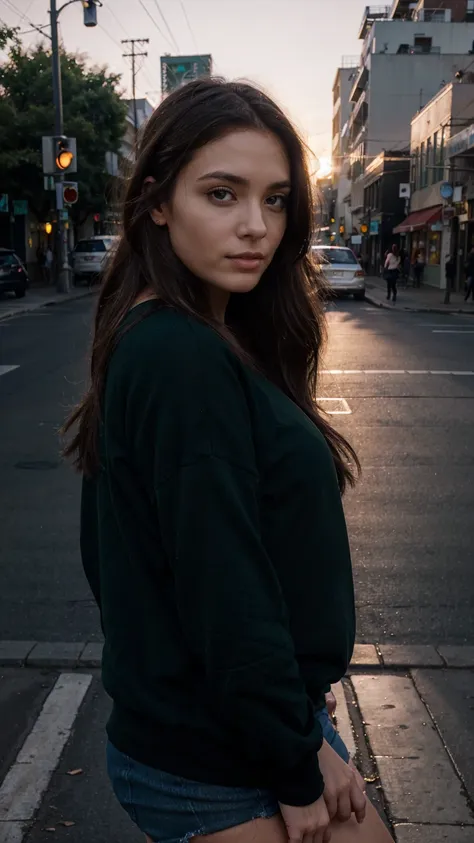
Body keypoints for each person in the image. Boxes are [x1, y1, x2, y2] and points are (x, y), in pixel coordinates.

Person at [63, 79, 393, 843]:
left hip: (234, 726)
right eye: (222, 194)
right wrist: (292, 750)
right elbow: (222, 583)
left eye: (276, 199)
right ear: (155, 201)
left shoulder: (181, 334)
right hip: (218, 760)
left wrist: (297, 700)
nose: (257, 227)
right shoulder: (180, 354)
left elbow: (130, 564)